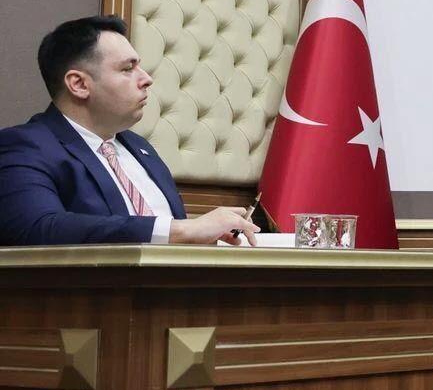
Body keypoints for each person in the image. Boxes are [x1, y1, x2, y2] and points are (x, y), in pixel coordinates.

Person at [0, 16, 259, 246]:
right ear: (78, 84)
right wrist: (181, 230)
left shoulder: (140, 148)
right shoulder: (24, 147)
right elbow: (38, 228)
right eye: (127, 69)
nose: (147, 79)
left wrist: (203, 236)